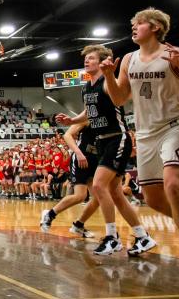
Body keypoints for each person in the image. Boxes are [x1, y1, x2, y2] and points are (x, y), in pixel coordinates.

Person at [100, 8, 179, 281]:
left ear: (155, 27)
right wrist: (108, 75)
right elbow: (119, 99)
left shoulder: (174, 53)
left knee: (174, 186)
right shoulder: (129, 59)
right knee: (153, 199)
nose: (134, 28)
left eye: (139, 23)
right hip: (145, 133)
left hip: (176, 126)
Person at [53, 45, 157, 256]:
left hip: (117, 138)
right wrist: (72, 120)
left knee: (99, 186)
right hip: (102, 142)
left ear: (102, 62)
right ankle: (143, 236)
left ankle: (112, 237)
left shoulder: (108, 82)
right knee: (116, 194)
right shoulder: (86, 87)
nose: (86, 61)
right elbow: (90, 113)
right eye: (86, 59)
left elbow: (118, 95)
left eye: (91, 58)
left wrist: (110, 74)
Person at [41, 122, 97, 238]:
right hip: (81, 157)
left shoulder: (108, 119)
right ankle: (49, 214)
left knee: (99, 197)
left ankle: (78, 225)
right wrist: (78, 152)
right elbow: (67, 135)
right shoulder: (88, 116)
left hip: (95, 159)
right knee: (80, 196)